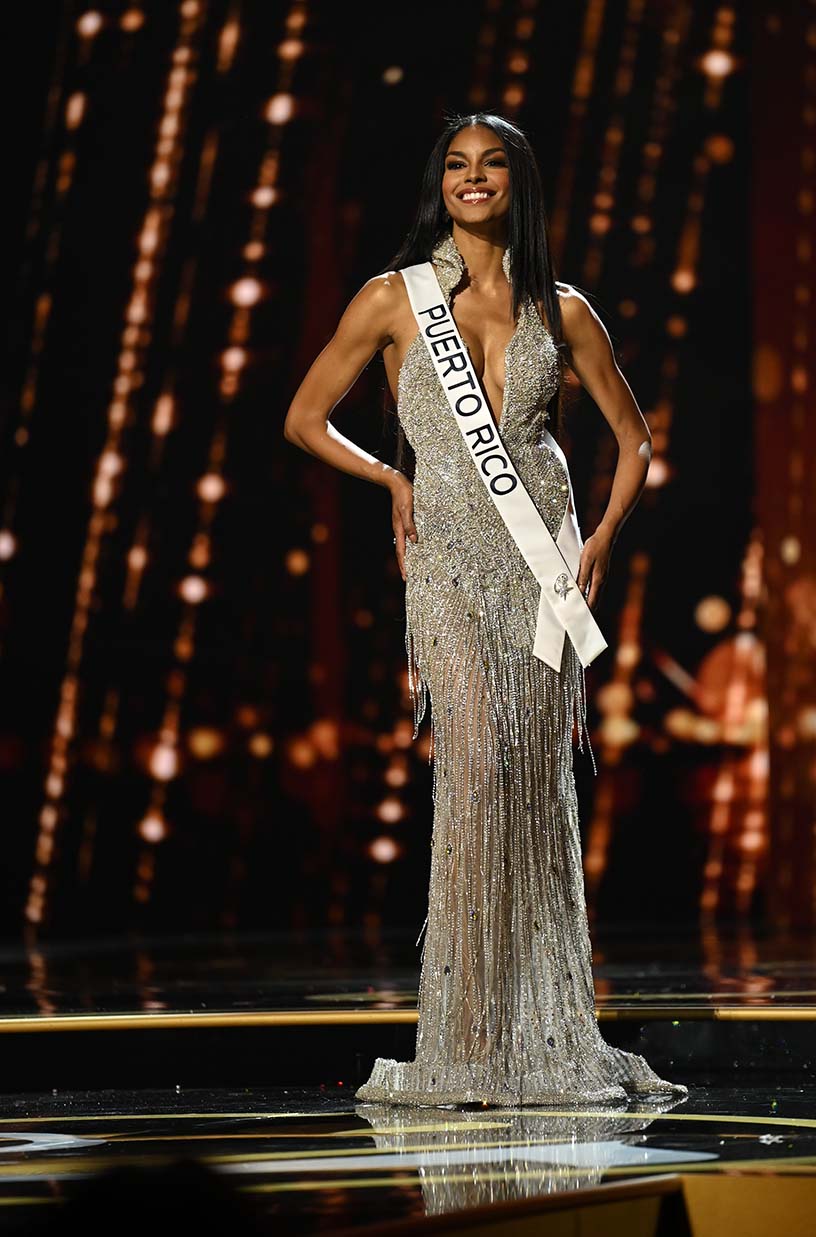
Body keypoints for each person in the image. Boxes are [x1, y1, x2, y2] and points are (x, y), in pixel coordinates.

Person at [284, 111, 686, 1106]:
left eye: (491, 164)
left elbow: (635, 444)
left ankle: (540, 1032)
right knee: (475, 769)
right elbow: (301, 417)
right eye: (457, 166)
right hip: (452, 565)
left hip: (541, 561)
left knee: (535, 786)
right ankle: (464, 1039)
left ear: (517, 182)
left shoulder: (564, 308)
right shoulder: (392, 299)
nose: (473, 179)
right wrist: (387, 478)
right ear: (440, 184)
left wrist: (596, 543)